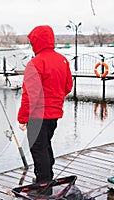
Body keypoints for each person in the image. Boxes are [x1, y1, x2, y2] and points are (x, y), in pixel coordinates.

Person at [17, 25, 73, 186]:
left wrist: (22, 118)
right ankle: (47, 174)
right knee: (45, 144)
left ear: (36, 42)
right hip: (54, 114)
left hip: (37, 116)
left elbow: (30, 95)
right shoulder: (62, 60)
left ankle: (44, 183)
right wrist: (55, 100)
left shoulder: (35, 63)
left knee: (38, 148)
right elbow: (68, 86)